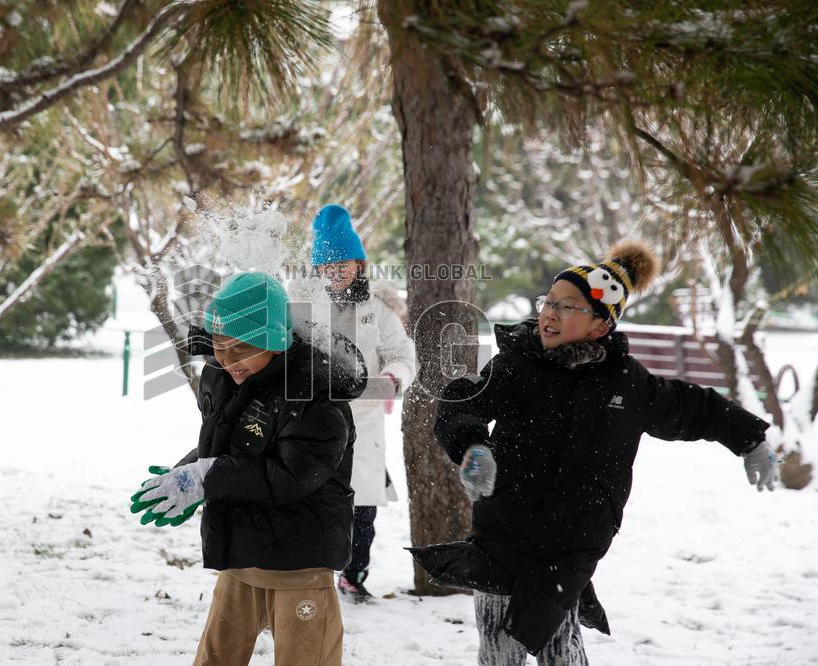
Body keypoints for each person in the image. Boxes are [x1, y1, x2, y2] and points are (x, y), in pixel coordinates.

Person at [409, 241, 780, 665]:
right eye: (548, 302)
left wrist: (749, 437)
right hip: (505, 534)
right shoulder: (518, 367)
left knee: (561, 650)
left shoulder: (626, 384)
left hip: (572, 547)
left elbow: (693, 408)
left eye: (567, 307)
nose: (549, 313)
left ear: (601, 326)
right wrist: (472, 444)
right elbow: (463, 403)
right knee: (500, 651)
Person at [129, 271, 368, 666]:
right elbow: (228, 449)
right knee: (215, 659)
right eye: (221, 346)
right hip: (241, 558)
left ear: (274, 342)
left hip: (299, 564)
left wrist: (209, 479)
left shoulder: (315, 396)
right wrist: (187, 474)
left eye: (241, 349)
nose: (227, 359)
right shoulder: (223, 377)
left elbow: (289, 477)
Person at [305, 203, 418, 603]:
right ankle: (311, 574)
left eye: (345, 263)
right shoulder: (298, 305)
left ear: (359, 263)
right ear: (318, 268)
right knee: (313, 501)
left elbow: (402, 356)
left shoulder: (379, 309)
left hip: (364, 422)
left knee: (362, 508)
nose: (338, 271)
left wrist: (393, 380)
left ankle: (353, 577)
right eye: (329, 265)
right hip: (311, 421)